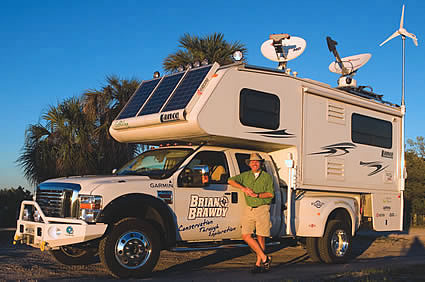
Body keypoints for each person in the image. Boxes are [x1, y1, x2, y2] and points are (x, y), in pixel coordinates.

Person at [228, 153, 274, 273]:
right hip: (249, 209)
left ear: (261, 164)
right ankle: (265, 258)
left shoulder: (267, 177)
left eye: (257, 161)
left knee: (261, 237)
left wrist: (257, 195)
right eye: (252, 161)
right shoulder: (246, 176)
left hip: (262, 208)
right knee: (246, 235)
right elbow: (230, 180)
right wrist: (244, 189)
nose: (254, 163)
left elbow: (270, 194)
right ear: (249, 164)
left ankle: (258, 265)